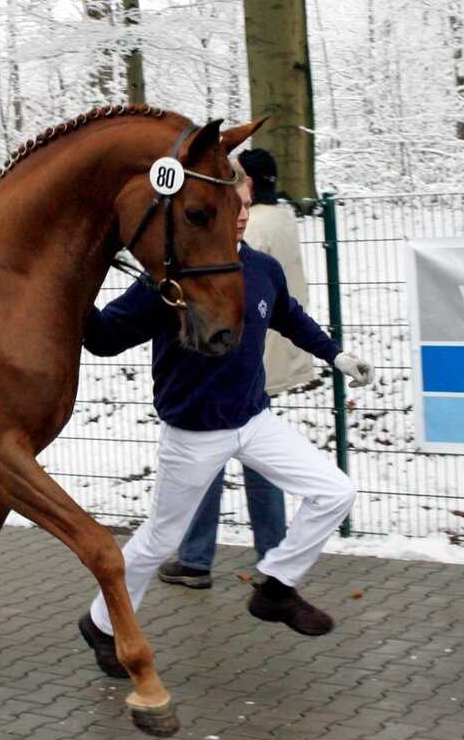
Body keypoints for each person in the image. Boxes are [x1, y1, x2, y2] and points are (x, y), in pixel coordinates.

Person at [77, 160, 374, 679]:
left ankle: (276, 588)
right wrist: (77, 280)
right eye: (226, 206)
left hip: (254, 421)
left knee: (335, 491)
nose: (238, 215)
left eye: (243, 204)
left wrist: (334, 355)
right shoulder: (169, 279)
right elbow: (103, 338)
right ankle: (101, 624)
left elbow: (289, 316)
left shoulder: (261, 268)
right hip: (192, 435)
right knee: (160, 542)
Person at [157, 148, 314, 590]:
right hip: (268, 353)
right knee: (256, 459)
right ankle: (273, 553)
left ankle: (195, 557)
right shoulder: (284, 218)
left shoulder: (251, 226)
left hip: (237, 352)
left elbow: (234, 284)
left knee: (209, 452)